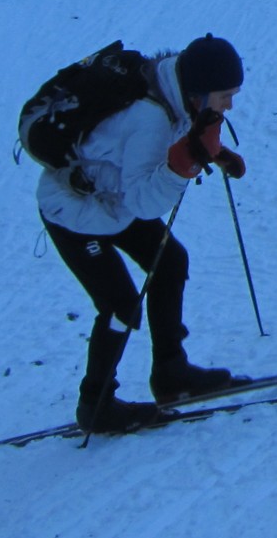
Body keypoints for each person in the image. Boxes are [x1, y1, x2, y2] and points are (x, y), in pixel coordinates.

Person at [38, 34, 249, 433]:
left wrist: (214, 152)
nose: (230, 105)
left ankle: (171, 374)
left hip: (109, 200)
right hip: (75, 212)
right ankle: (95, 405)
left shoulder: (175, 90)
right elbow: (143, 204)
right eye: (225, 95)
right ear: (200, 91)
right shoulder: (149, 118)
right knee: (120, 305)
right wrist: (184, 165)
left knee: (170, 260)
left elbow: (171, 142)